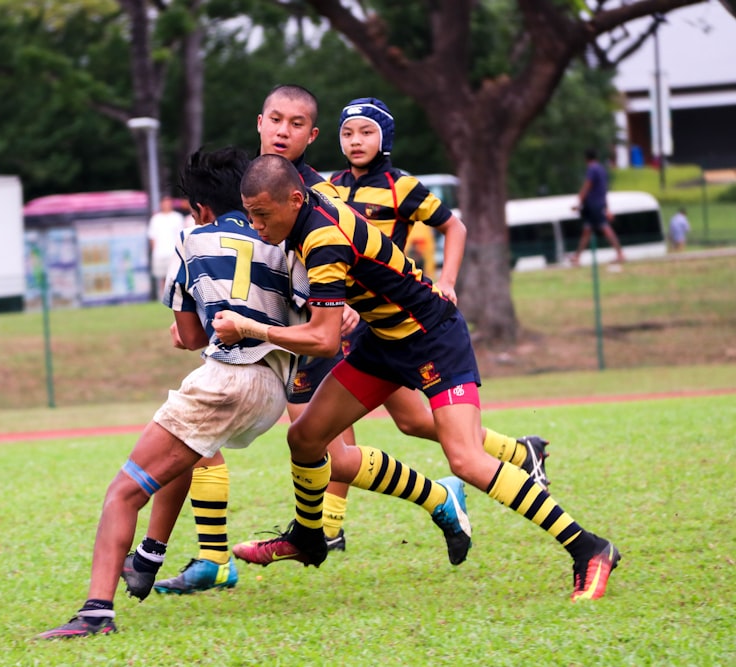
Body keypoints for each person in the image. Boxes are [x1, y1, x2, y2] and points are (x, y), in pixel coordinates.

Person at [135, 86, 548, 597]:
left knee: (340, 445)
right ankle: (232, 553)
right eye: (276, 121)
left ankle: (420, 500)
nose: (283, 131)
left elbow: (337, 259)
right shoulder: (251, 186)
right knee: (349, 434)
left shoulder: (317, 193)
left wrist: (339, 305)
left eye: (297, 123)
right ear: (260, 123)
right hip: (303, 336)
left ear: (311, 135)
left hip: (331, 332)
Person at [216, 154, 621, 602]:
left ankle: (589, 549)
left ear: (295, 200)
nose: (255, 225)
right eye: (249, 214)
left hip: (433, 336)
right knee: (305, 438)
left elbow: (324, 340)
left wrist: (248, 327)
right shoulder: (315, 199)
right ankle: (309, 539)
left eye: (262, 215)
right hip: (385, 340)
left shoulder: (322, 239)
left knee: (465, 459)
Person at [35, 147, 308, 639]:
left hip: (228, 377)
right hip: (272, 389)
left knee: (122, 493)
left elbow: (191, 337)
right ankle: (148, 556)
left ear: (200, 208)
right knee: (193, 453)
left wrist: (188, 332)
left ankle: (96, 612)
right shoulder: (283, 236)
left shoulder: (192, 239)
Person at [571, 148, 626, 265]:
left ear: (586, 159)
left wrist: (578, 202)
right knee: (587, 231)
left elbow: (587, 186)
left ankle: (620, 253)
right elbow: (604, 190)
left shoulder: (592, 169)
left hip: (593, 205)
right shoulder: (601, 170)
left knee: (605, 228)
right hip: (599, 204)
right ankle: (577, 257)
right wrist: (607, 208)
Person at [147, 193, 187, 295]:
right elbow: (152, 237)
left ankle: (175, 296)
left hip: (173, 252)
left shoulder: (177, 217)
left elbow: (181, 235)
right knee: (162, 277)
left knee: (174, 276)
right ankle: (164, 296)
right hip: (160, 252)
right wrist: (154, 251)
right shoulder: (156, 219)